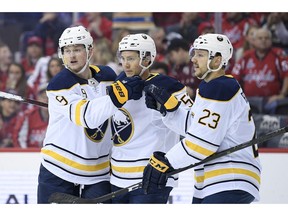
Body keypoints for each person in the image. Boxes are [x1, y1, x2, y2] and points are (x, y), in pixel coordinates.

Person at [142, 33, 261, 204]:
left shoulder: (220, 88)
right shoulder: (214, 87)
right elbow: (195, 128)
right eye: (194, 54)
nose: (193, 59)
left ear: (217, 60)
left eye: (200, 55)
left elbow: (202, 143)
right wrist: (168, 109)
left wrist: (167, 162)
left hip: (229, 178)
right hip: (215, 181)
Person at [37, 25, 144, 204]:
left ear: (90, 50)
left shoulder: (107, 76)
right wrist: (117, 97)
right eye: (67, 50)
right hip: (58, 170)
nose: (71, 56)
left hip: (97, 172)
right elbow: (87, 118)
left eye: (77, 50)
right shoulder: (59, 84)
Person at [109, 33, 193, 203]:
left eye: (131, 58)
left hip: (151, 177)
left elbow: (194, 125)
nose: (125, 64)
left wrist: (170, 108)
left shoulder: (169, 86)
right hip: (117, 178)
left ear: (147, 59)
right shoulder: (118, 86)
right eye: (123, 58)